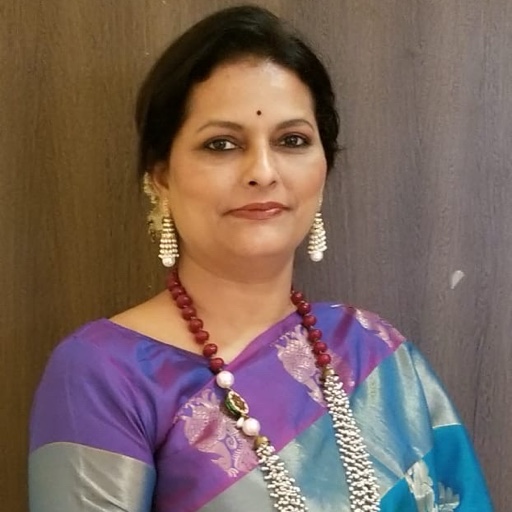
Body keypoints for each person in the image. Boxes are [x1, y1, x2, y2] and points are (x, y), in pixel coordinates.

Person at [28, 5, 493, 512]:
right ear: (161, 177)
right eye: (221, 144)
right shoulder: (105, 375)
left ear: (323, 167)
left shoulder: (377, 355)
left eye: (292, 140)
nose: (263, 171)